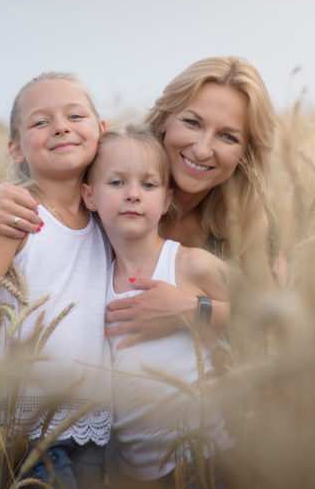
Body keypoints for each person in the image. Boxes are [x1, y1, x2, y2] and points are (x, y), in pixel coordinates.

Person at [0, 56, 278, 346]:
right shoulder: (112, 172)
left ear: (245, 153)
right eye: (193, 123)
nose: (201, 149)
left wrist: (191, 312)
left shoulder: (244, 217)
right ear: (166, 119)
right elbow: (50, 190)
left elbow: (272, 319)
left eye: (228, 137)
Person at [0, 72, 112, 488]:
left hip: (91, 423)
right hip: (23, 427)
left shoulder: (109, 217)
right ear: (16, 149)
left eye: (75, 115)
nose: (61, 126)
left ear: (101, 132)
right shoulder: (13, 214)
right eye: (40, 122)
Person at [81, 122, 232, 487]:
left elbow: (263, 316)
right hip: (138, 475)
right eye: (117, 183)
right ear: (89, 197)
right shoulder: (93, 281)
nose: (133, 194)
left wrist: (198, 315)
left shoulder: (189, 264)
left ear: (165, 201)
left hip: (207, 460)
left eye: (148, 185)